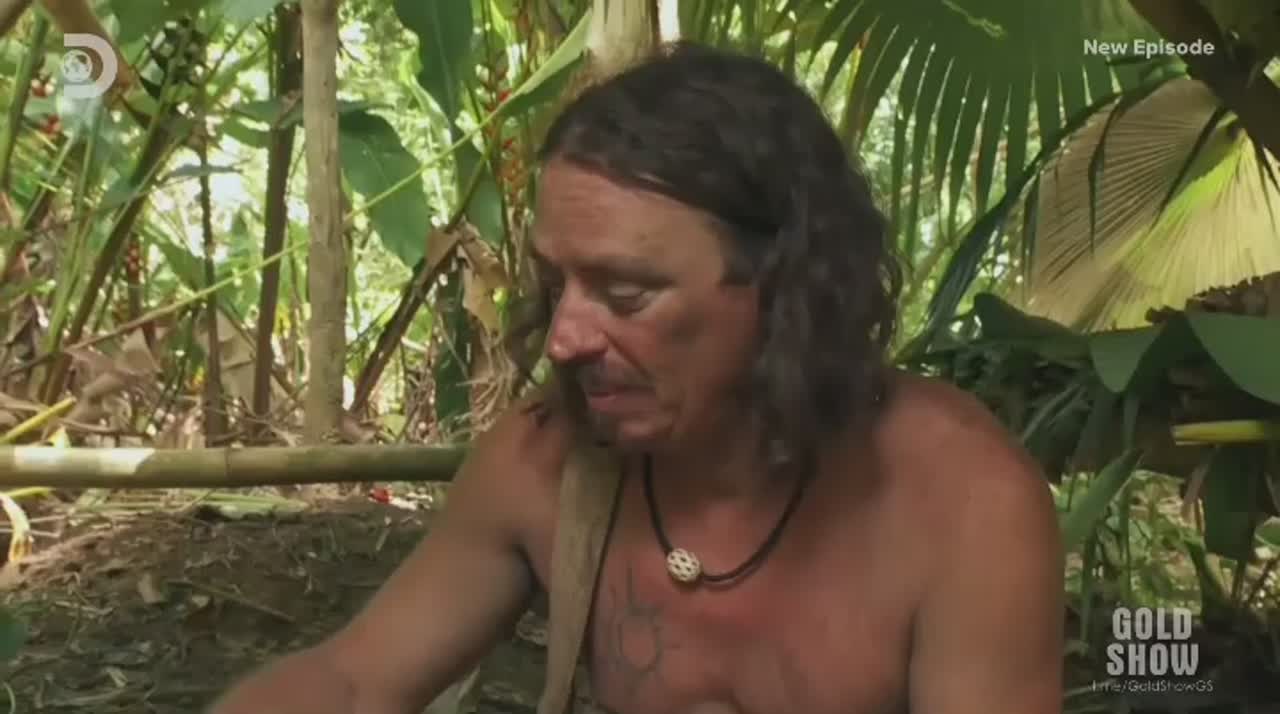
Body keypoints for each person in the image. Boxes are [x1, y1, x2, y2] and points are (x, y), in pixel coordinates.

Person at [208, 41, 1064, 714]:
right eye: (557, 284)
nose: (565, 339)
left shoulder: (962, 504)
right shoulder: (545, 464)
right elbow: (353, 682)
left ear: (785, 290)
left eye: (626, 295)